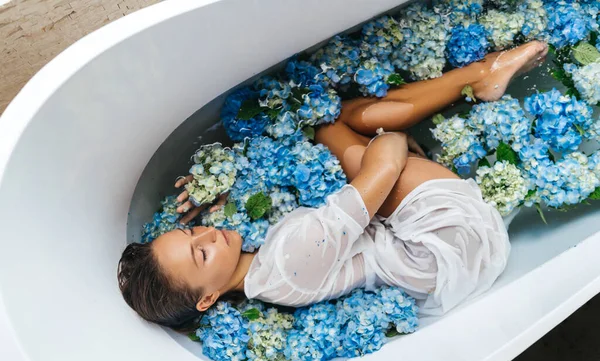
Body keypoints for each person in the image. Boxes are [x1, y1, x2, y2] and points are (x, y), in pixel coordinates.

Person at [118, 41, 548, 331]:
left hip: (422, 252)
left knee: (341, 128)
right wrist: (393, 144)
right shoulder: (290, 259)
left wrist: (228, 186)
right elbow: (381, 172)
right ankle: (480, 76)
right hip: (442, 239)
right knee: (335, 123)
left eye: (191, 231)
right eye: (201, 251)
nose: (209, 232)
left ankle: (480, 78)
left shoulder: (264, 278)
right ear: (208, 298)